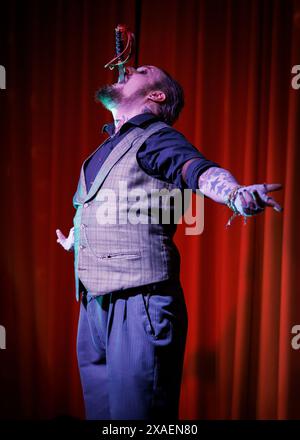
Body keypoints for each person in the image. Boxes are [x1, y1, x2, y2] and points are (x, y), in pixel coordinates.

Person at [56, 65, 282, 420]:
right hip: (94, 304)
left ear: (155, 95)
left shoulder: (156, 138)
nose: (127, 68)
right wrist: (78, 237)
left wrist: (235, 194)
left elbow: (197, 170)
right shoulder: (108, 146)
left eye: (141, 70)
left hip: (138, 300)